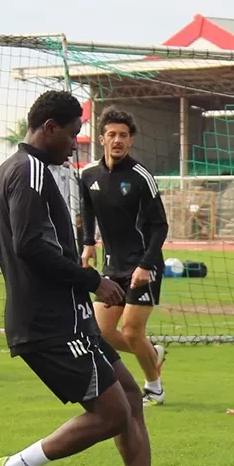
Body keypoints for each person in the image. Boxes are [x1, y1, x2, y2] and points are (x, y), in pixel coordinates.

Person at [0, 91, 199, 466]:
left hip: (69, 319)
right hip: (50, 322)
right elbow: (29, 246)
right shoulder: (31, 172)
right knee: (112, 413)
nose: (76, 143)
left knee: (130, 398)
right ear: (50, 128)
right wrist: (93, 280)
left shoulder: (10, 170)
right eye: (74, 133)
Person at [79, 107, 169, 405]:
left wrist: (145, 265)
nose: (117, 140)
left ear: (130, 141)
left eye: (123, 135)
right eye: (112, 134)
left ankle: (154, 388)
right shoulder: (88, 174)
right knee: (101, 331)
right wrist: (88, 243)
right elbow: (87, 207)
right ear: (102, 139)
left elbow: (160, 225)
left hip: (144, 265)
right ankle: (151, 352)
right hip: (111, 265)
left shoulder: (141, 176)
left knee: (131, 331)